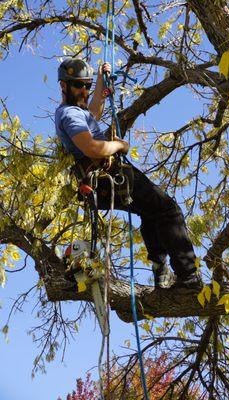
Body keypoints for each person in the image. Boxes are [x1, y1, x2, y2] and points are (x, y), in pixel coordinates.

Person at [55, 58, 202, 290]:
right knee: (168, 210)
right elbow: (92, 148)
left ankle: (160, 270)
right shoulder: (69, 114)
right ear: (64, 86)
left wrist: (102, 85)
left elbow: (93, 112)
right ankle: (188, 277)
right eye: (78, 86)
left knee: (152, 213)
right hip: (110, 175)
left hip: (105, 181)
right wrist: (119, 146)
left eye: (87, 85)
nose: (84, 90)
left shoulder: (76, 111)